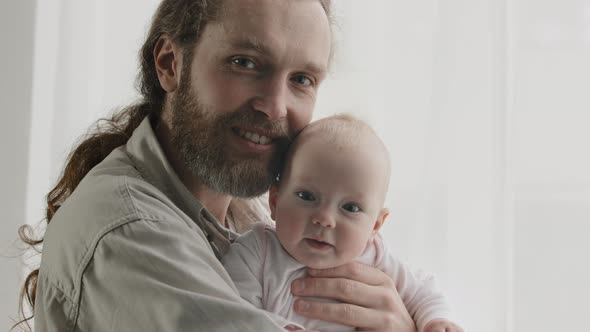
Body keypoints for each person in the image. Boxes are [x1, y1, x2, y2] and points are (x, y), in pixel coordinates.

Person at [15, 0, 420, 331]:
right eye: (245, 63)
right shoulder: (134, 232)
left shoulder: (249, 221)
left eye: (302, 79)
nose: (275, 106)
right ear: (170, 64)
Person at [223, 115, 464, 332]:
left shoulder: (376, 257)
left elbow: (423, 292)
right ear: (275, 201)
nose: (325, 219)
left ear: (375, 226)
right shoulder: (255, 252)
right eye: (307, 196)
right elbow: (234, 315)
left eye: (350, 208)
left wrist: (436, 320)